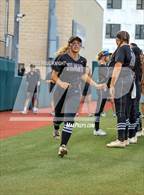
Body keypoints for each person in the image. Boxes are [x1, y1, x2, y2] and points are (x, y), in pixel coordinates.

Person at [51, 36, 106, 157]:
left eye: (79, 44)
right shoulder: (61, 58)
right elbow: (53, 76)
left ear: (80, 46)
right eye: (74, 43)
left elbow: (83, 76)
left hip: (74, 92)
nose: (76, 45)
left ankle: (63, 146)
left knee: (69, 119)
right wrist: (61, 83)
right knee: (58, 117)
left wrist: (96, 85)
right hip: (60, 91)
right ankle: (55, 128)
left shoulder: (82, 60)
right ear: (69, 45)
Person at [107, 31, 134, 148]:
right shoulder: (131, 49)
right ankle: (126, 138)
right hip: (129, 81)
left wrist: (112, 85)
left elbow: (117, 67)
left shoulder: (122, 48)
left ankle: (121, 139)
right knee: (126, 111)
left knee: (120, 111)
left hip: (122, 82)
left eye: (116, 39)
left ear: (119, 39)